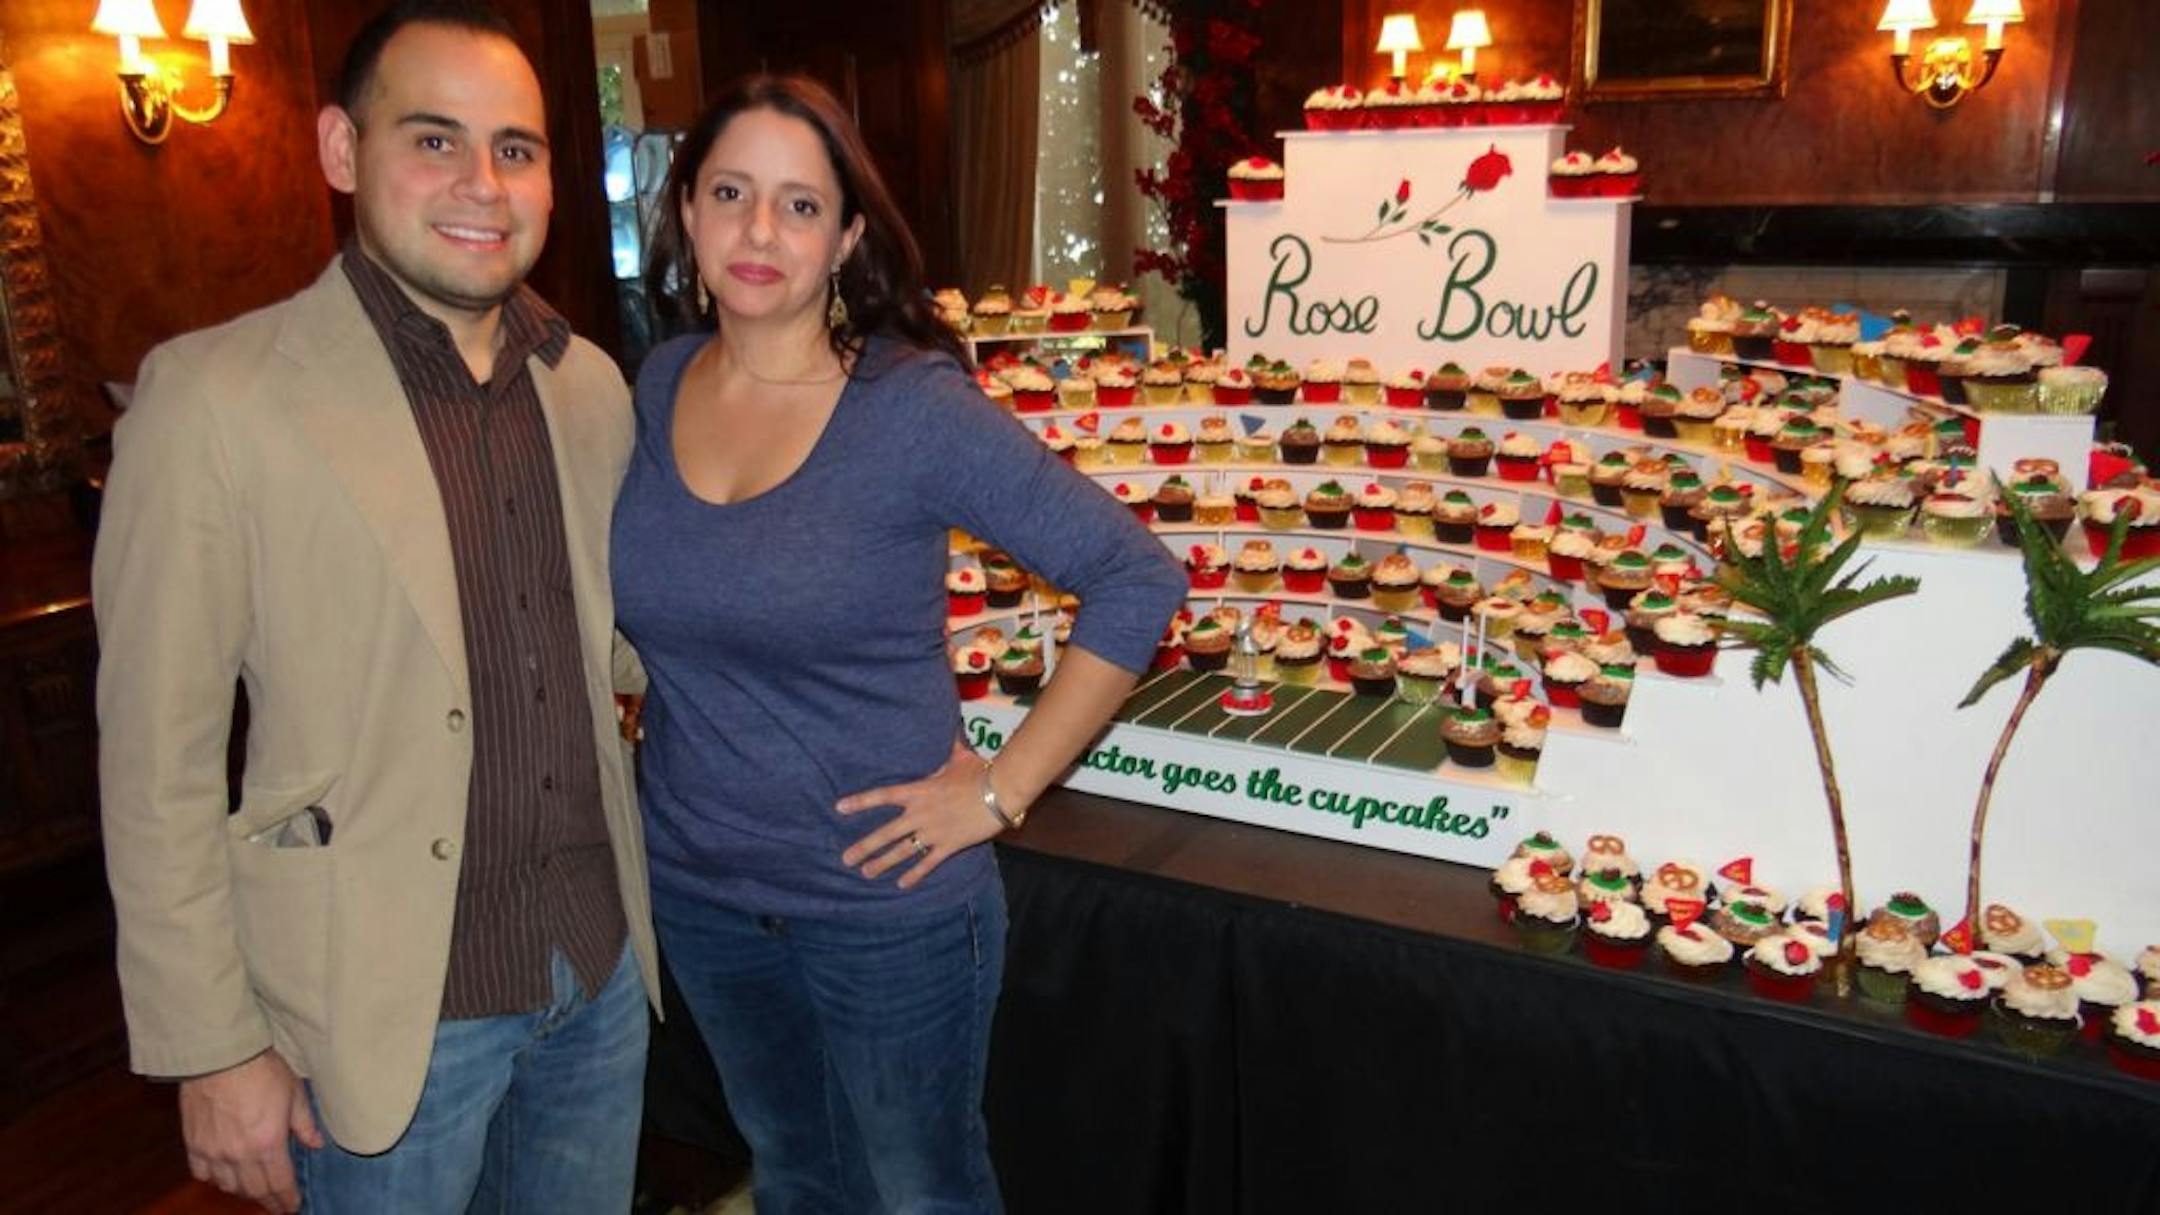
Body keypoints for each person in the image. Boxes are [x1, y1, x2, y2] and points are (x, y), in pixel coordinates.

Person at [93, 2, 657, 1211]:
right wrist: (213, 1045)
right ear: (343, 152)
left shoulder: (592, 388)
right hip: (385, 1013)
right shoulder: (211, 400)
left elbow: (619, 654)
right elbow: (156, 761)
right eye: (434, 140)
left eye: (516, 148)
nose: (482, 183)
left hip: (596, 976)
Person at [615, 76, 1185, 1213]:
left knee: (921, 1192)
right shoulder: (657, 381)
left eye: (800, 205)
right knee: (796, 1175)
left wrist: (1002, 792)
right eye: (730, 192)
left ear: (848, 238)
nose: (760, 231)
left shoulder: (909, 408)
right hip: (702, 891)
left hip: (889, 912)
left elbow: (1135, 576)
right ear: (685, 211)